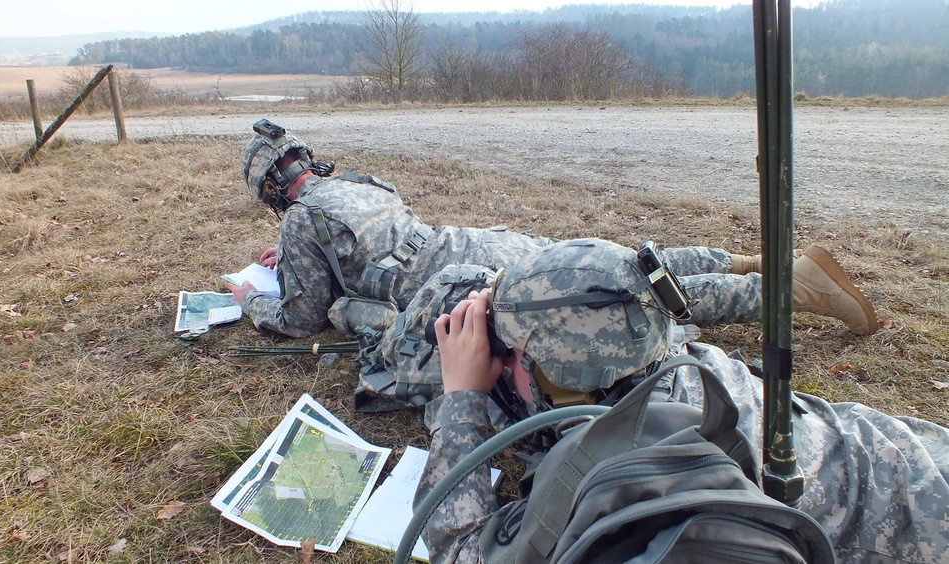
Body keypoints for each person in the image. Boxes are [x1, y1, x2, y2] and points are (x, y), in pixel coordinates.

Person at [414, 239, 948, 564]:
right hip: (908, 452)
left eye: (507, 355)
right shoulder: (668, 361)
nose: (499, 364)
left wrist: (461, 399)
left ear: (556, 381)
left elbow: (462, 550)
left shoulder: (614, 467)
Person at [224, 119, 879, 339]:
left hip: (465, 283)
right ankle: (748, 260)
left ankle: (798, 294)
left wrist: (250, 297)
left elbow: (303, 318)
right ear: (306, 163)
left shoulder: (303, 221)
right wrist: (293, 259)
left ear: (271, 194)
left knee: (621, 293)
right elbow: (364, 244)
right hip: (483, 242)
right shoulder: (359, 186)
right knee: (624, 261)